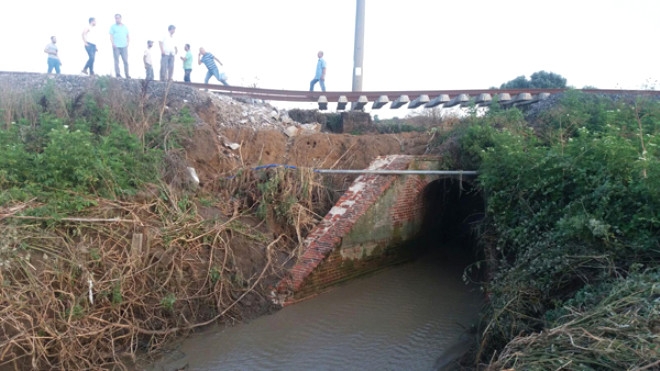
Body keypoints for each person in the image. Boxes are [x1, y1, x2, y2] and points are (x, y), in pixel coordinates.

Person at [109, 14, 130, 78]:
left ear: (121, 18)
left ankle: (127, 74)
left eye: (118, 18)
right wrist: (112, 43)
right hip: (116, 46)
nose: (117, 19)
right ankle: (118, 74)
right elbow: (111, 35)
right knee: (116, 61)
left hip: (124, 46)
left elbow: (128, 36)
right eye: (116, 18)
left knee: (125, 61)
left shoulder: (125, 27)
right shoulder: (113, 27)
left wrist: (127, 43)